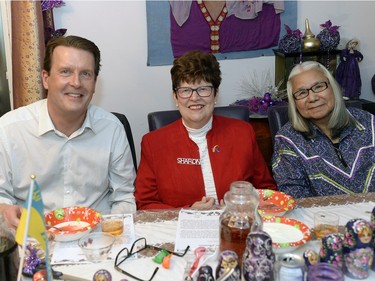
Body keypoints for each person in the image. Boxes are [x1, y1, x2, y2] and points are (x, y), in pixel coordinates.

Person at [0, 35, 136, 229]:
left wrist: (107, 233)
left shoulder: (112, 129)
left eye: (86, 74)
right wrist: (4, 210)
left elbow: (123, 198)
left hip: (97, 240)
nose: (76, 82)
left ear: (95, 83)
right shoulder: (8, 130)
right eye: (65, 72)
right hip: (33, 239)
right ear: (46, 79)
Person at [135, 50, 276, 210]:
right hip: (179, 230)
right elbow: (145, 205)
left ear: (215, 94)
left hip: (237, 225)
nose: (194, 98)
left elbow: (267, 191)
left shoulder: (243, 133)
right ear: (175, 97)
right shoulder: (153, 143)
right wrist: (188, 212)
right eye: (185, 90)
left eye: (203, 89)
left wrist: (245, 204)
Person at [272, 61, 375, 198]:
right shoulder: (287, 139)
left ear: (333, 88)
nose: (313, 98)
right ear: (294, 102)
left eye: (319, 87)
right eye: (302, 93)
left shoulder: (368, 123)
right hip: (321, 218)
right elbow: (293, 195)